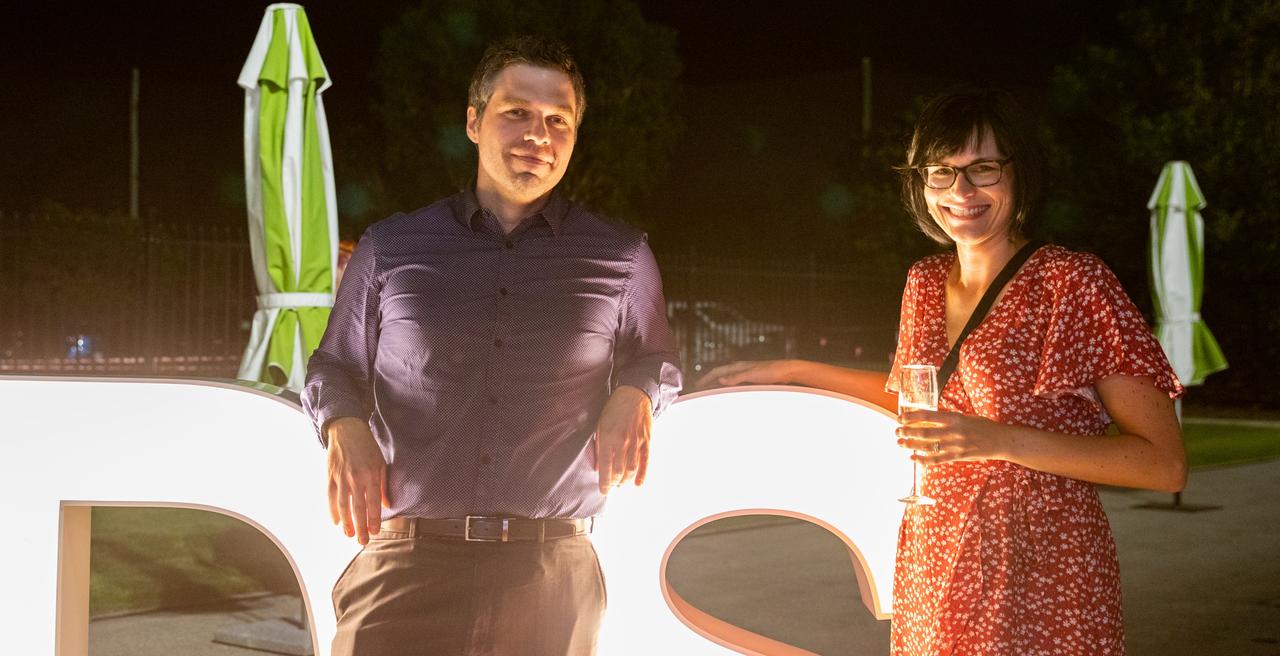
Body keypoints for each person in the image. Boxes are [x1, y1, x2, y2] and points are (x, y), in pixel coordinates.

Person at [699, 85, 1185, 655]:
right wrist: (794, 370)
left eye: (983, 169)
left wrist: (998, 440)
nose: (962, 191)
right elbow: (916, 405)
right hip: (938, 553)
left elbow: (1164, 464)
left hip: (1044, 567)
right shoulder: (924, 284)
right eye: (941, 172)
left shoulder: (1072, 282)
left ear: (1018, 172)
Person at [302, 35, 682, 656]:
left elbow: (654, 357)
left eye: (558, 120)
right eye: (517, 113)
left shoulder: (621, 255)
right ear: (474, 122)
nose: (539, 133)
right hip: (406, 564)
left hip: (550, 578)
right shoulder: (392, 248)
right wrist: (343, 425)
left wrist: (637, 393)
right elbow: (333, 365)